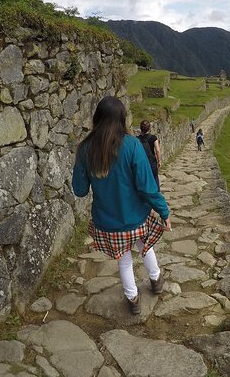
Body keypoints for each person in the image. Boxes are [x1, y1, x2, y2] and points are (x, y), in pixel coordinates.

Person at [72, 96, 171, 315]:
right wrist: (163, 211)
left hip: (107, 220)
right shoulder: (133, 145)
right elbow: (146, 186)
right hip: (135, 216)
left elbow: (79, 190)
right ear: (122, 119)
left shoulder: (86, 149)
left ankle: (133, 298)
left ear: (96, 118)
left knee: (124, 261)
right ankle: (155, 281)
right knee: (145, 247)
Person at [137, 120, 161, 189]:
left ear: (140, 128)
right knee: (155, 177)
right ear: (149, 128)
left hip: (141, 163)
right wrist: (159, 161)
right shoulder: (153, 137)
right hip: (152, 162)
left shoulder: (137, 139)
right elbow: (157, 150)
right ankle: (157, 193)